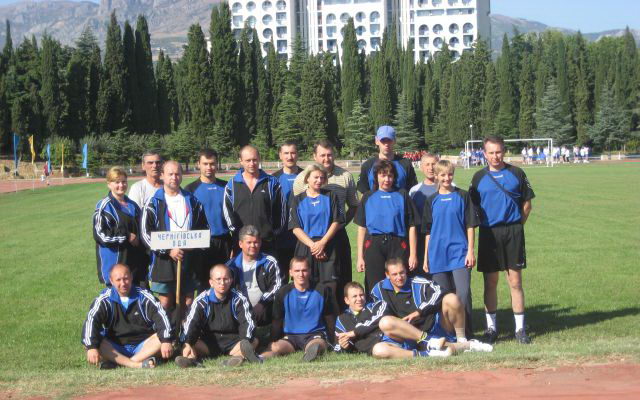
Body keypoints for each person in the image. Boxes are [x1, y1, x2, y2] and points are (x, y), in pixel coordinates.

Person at [469, 136, 535, 344]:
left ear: (504, 151)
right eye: (491, 152)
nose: (495, 156)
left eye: (498, 152)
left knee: (515, 281)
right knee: (490, 282)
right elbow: (472, 208)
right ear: (484, 153)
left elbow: (527, 205)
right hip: (489, 233)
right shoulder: (479, 177)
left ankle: (520, 329)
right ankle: (491, 329)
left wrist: (516, 226)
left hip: (513, 232)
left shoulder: (517, 173)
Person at [292, 139, 359, 308]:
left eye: (329, 155)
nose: (326, 158)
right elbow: (298, 216)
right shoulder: (301, 179)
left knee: (339, 278)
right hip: (308, 239)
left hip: (335, 235)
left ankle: (341, 314)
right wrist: (314, 244)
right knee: (308, 280)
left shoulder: (345, 176)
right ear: (315, 156)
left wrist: (339, 226)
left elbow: (353, 206)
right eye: (322, 155)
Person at [370, 259, 483, 350]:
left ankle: (461, 340)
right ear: (387, 275)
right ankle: (440, 345)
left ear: (406, 271)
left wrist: (419, 312)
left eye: (402, 272)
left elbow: (439, 291)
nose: (399, 277)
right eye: (394, 274)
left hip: (432, 327)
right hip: (406, 334)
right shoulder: (378, 290)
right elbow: (377, 314)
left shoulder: (418, 282)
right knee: (386, 323)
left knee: (452, 299)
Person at [141, 161, 209, 311]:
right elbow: (146, 234)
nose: (174, 177)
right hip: (164, 259)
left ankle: (185, 326)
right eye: (170, 174)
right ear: (162, 176)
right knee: (165, 301)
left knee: (188, 300)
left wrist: (193, 246)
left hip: (189, 258)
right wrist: (168, 250)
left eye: (177, 174)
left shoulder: (193, 201)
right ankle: (165, 326)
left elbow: (204, 228)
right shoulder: (153, 203)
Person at [423, 160, 479, 338]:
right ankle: (448, 334)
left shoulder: (463, 196)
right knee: (443, 297)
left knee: (462, 293)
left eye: (449, 174)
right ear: (436, 176)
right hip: (437, 254)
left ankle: (467, 334)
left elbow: (470, 225)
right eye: (443, 175)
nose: (447, 178)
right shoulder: (431, 200)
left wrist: (470, 251)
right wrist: (425, 258)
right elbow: (428, 232)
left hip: (459, 253)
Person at [81, 264, 174, 369]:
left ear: (131, 277)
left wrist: (166, 341)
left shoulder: (144, 296)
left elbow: (161, 317)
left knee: (161, 338)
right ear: (111, 281)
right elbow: (91, 321)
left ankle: (120, 363)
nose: (123, 283)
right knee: (93, 341)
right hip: (115, 346)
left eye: (126, 278)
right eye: (118, 280)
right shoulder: (104, 300)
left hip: (143, 346)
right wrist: (92, 347)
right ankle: (137, 364)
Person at [335, 282, 455, 358]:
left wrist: (355, 332)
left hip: (397, 337)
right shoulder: (341, 320)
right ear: (346, 300)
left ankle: (429, 341)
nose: (359, 299)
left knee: (386, 321)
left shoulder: (377, 305)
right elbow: (338, 346)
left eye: (361, 295)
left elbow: (378, 319)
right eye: (354, 296)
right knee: (378, 350)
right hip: (382, 345)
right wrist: (344, 346)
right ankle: (427, 354)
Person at [176, 264, 260, 368]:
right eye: (218, 279)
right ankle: (190, 360)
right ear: (211, 282)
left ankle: (236, 358)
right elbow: (192, 324)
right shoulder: (202, 300)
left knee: (253, 341)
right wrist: (187, 342)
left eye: (226, 279)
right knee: (188, 343)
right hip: (209, 343)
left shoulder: (239, 299)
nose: (222, 283)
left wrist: (245, 339)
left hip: (234, 342)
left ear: (231, 281)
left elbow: (247, 323)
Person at [355, 160, 419, 294]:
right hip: (374, 244)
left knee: (399, 281)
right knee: (374, 284)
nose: (387, 179)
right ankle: (376, 306)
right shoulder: (368, 197)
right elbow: (361, 228)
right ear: (376, 176)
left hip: (397, 244)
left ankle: (400, 306)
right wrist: (360, 256)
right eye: (383, 175)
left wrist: (413, 254)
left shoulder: (402, 195)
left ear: (394, 177)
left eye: (390, 175)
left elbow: (412, 226)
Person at [259, 257, 337, 362]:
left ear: (310, 271)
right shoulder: (283, 292)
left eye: (304, 270)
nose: (301, 274)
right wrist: (272, 340)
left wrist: (333, 341)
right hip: (291, 337)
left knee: (317, 345)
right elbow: (277, 320)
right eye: (297, 271)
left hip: (314, 335)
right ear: (290, 272)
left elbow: (330, 318)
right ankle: (259, 358)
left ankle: (310, 354)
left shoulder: (322, 290)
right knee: (275, 347)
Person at [289, 164, 344, 298]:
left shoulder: (331, 196)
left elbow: (336, 221)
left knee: (329, 289)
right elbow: (295, 228)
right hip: (306, 247)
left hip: (327, 246)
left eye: (322, 178)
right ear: (307, 178)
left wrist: (322, 243)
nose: (319, 180)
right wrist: (313, 246)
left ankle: (330, 311)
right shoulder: (298, 199)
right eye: (316, 177)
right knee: (306, 287)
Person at [223, 145, 285, 256]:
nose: (252, 163)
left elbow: (281, 210)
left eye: (254, 160)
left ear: (259, 159)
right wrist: (238, 233)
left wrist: (273, 232)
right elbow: (227, 212)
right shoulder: (231, 185)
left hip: (266, 242)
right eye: (248, 160)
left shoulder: (272, 183)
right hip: (242, 243)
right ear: (241, 161)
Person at [185, 149, 231, 292]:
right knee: (202, 285)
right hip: (201, 243)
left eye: (212, 164)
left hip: (224, 242)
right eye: (205, 164)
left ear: (217, 164)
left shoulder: (227, 187)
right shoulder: (190, 190)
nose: (209, 167)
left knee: (224, 283)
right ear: (198, 164)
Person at [93, 167, 148, 287]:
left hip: (136, 265)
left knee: (142, 296)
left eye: (124, 181)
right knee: (119, 298)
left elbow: (142, 230)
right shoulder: (104, 206)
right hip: (116, 267)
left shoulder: (133, 205)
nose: (121, 185)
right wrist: (126, 235)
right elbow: (100, 235)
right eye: (117, 182)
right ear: (109, 184)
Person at [226, 225, 282, 326]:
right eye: (249, 242)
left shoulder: (270, 262)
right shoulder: (231, 266)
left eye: (256, 242)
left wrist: (262, 303)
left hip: (265, 307)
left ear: (260, 243)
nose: (253, 245)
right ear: (240, 244)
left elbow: (277, 286)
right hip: (239, 309)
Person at [272, 141, 304, 282]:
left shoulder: (307, 176)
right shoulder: (273, 179)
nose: (290, 157)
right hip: (281, 237)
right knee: (282, 278)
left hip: (303, 236)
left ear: (297, 154)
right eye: (286, 153)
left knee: (303, 275)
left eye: (293, 153)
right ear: (280, 155)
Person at [356, 125, 418, 194]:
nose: (386, 144)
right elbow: (364, 194)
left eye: (389, 140)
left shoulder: (406, 164)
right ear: (376, 141)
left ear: (394, 141)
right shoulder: (368, 165)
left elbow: (412, 192)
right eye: (383, 140)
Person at [409, 153, 439, 275]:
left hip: (442, 239)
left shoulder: (450, 187)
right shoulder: (414, 191)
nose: (431, 168)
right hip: (421, 240)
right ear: (421, 167)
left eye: (433, 164)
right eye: (427, 164)